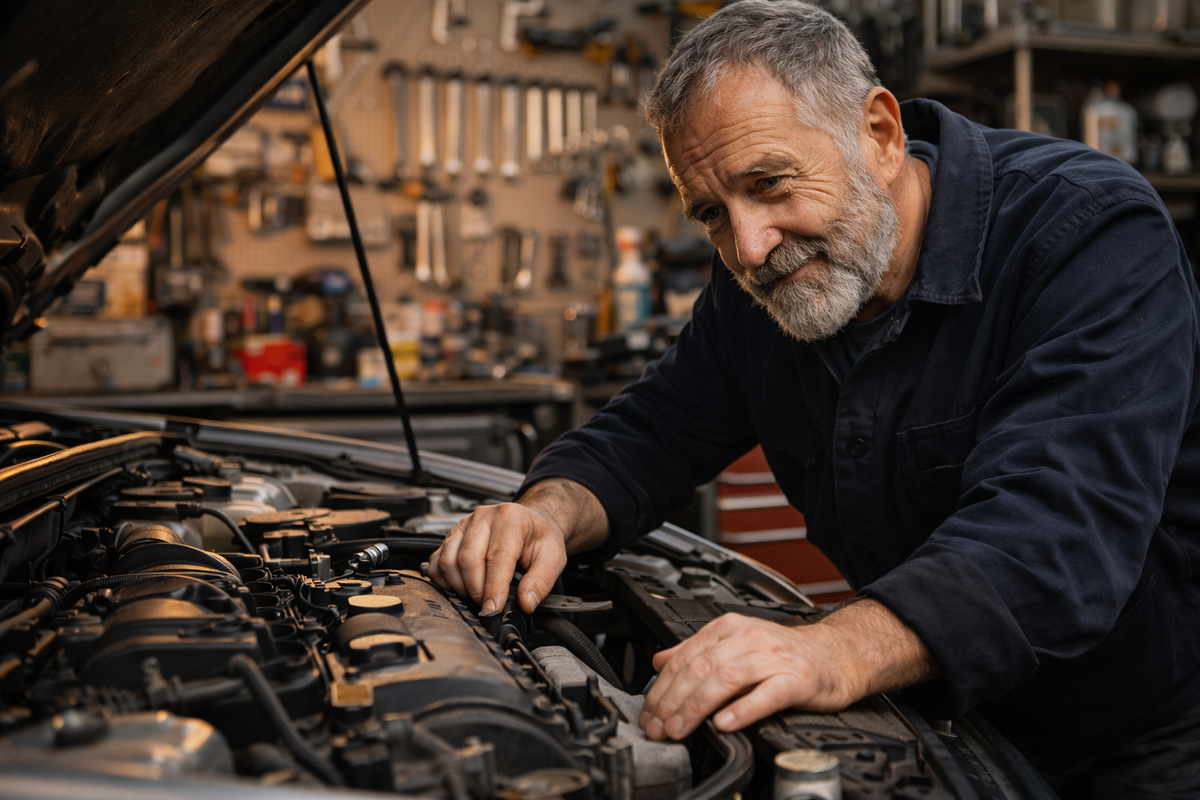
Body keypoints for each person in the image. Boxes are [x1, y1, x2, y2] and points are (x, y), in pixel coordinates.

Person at [430, 1, 1200, 793]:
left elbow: (1056, 531)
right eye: (713, 215)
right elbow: (655, 429)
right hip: (941, 715)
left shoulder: (1089, 234)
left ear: (880, 135)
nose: (750, 245)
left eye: (769, 183)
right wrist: (547, 512)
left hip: (1137, 736)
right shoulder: (771, 280)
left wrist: (832, 650)